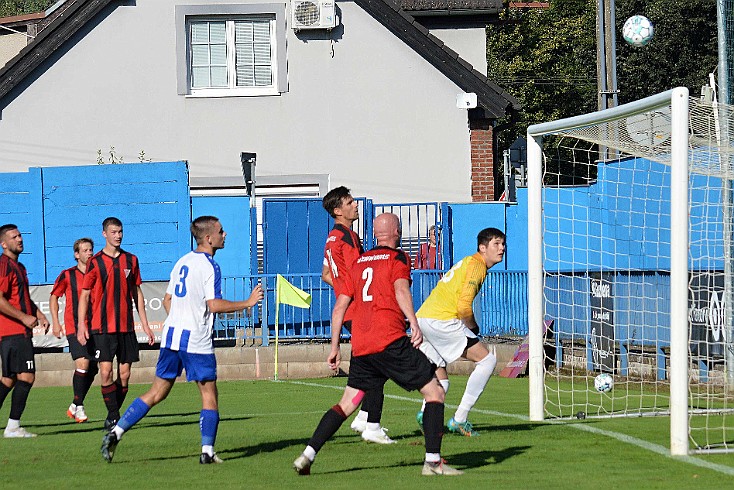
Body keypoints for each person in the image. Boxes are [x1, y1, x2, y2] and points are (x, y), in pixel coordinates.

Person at [293, 213, 462, 476]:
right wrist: (413, 323)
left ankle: (307, 454)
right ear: (397, 231)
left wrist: (335, 346)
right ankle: (432, 462)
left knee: (347, 404)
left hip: (361, 345)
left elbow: (340, 306)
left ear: (375, 234)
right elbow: (401, 290)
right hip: (390, 340)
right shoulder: (398, 258)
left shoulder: (359, 263)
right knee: (435, 393)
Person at [100, 216, 264, 464]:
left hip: (172, 336)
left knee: (157, 392)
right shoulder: (210, 266)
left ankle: (117, 431)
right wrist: (248, 303)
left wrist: (180, 316)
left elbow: (168, 301)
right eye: (221, 231)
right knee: (209, 395)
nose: (225, 234)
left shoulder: (182, 262)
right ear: (209, 238)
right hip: (195, 340)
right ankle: (207, 452)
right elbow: (214, 305)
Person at [415, 227, 505, 437]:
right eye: (496, 244)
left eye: (502, 244)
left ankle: (425, 414)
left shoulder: (468, 262)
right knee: (487, 361)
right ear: (482, 248)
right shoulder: (476, 265)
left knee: (442, 381)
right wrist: (474, 328)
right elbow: (464, 307)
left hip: (424, 319)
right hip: (441, 320)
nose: (501, 248)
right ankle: (460, 419)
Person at [321, 186, 392, 444]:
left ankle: (364, 417)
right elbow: (359, 272)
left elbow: (326, 274)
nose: (356, 205)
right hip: (359, 309)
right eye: (350, 202)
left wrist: (343, 290)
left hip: (349, 308)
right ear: (338, 210)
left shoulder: (332, 237)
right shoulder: (348, 237)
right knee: (379, 362)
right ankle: (371, 423)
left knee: (369, 364)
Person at [77, 217, 155, 430]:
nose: (118, 235)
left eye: (120, 231)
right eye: (113, 232)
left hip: (126, 327)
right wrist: (82, 325)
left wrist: (145, 325)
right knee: (105, 373)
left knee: (125, 375)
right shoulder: (95, 262)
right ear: (104, 234)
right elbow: (84, 295)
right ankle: (113, 417)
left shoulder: (131, 260)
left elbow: (137, 293)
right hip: (102, 328)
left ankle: (113, 415)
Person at [0, 224, 50, 438]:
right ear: (4, 244)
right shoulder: (3, 265)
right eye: (14, 237)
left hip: (19, 332)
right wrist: (23, 317)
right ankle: (13, 427)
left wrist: (38, 313)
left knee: (9, 379)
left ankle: (13, 426)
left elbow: (21, 298)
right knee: (27, 377)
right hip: (13, 332)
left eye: (20, 235)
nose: (19, 239)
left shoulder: (19, 267)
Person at [50, 238, 98, 423]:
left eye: (91, 250)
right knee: (83, 363)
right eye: (85, 250)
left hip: (95, 327)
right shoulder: (68, 275)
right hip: (75, 326)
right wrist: (55, 322)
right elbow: (54, 297)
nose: (89, 253)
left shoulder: (97, 273)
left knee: (93, 368)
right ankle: (80, 408)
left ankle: (74, 404)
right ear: (76, 254)